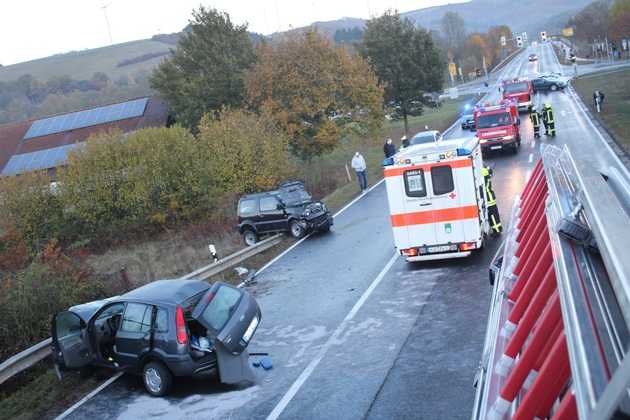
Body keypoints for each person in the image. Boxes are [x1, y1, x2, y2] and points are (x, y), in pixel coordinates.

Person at [482, 166, 502, 235]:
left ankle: (497, 230)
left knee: (492, 215)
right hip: (490, 196)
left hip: (488, 198)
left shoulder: (483, 172)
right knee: (494, 214)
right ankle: (497, 229)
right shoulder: (486, 169)